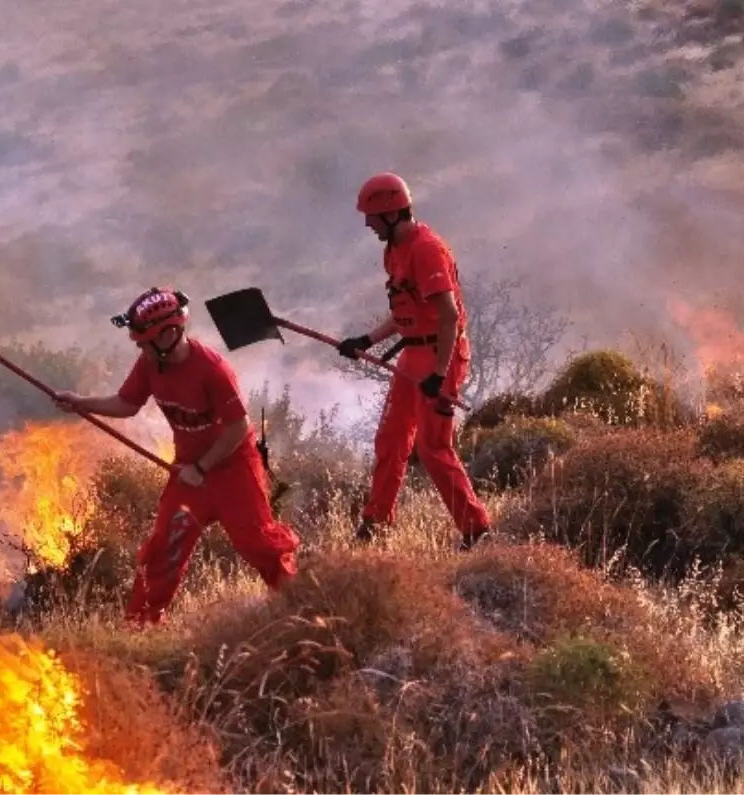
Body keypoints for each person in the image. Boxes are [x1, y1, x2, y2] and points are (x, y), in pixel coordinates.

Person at [53, 287, 300, 626]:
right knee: (162, 552)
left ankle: (302, 608)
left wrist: (202, 467)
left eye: (144, 341)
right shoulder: (151, 364)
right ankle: (140, 626)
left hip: (233, 471)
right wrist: (82, 403)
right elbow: (127, 403)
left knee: (259, 544)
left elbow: (237, 428)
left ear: (169, 334)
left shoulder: (214, 370)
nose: (140, 349)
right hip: (189, 476)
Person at [336, 172, 492, 551]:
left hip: (442, 353)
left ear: (391, 213)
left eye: (372, 217)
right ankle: (376, 522)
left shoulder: (426, 249)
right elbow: (405, 312)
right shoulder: (392, 250)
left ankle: (476, 530)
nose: (368, 225)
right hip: (412, 353)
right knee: (390, 439)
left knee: (433, 447)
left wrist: (439, 375)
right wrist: (366, 341)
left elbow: (450, 317)